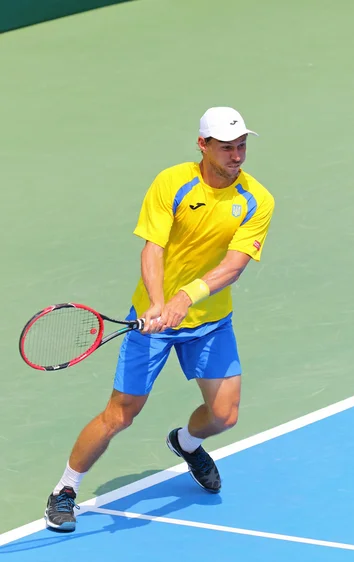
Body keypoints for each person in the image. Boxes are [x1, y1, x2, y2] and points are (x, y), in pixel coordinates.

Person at [45, 106, 275, 531]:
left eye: (242, 146)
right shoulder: (172, 183)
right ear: (203, 146)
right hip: (153, 319)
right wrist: (157, 303)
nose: (237, 156)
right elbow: (154, 247)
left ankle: (186, 443)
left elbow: (233, 266)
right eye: (227, 148)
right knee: (120, 414)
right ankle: (65, 490)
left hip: (211, 322)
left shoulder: (257, 200)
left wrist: (185, 299)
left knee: (224, 416)